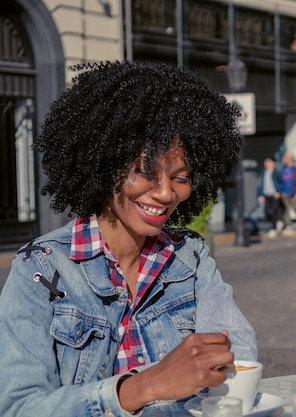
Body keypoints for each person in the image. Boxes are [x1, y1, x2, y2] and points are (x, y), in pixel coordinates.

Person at [0, 61, 257, 416]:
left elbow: (239, 354)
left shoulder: (189, 257)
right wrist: (142, 387)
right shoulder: (41, 269)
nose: (166, 193)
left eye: (181, 177)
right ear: (103, 163)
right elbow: (18, 407)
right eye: (145, 171)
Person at [257, 156, 283, 238]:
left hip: (274, 195)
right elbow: (261, 184)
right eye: (265, 162)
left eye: (267, 162)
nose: (266, 164)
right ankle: (278, 223)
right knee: (267, 211)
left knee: (274, 211)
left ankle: (274, 228)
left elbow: (282, 182)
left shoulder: (276, 172)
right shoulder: (264, 172)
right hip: (267, 194)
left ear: (272, 163)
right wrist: (260, 195)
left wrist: (278, 192)